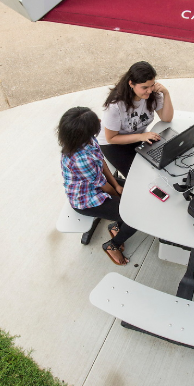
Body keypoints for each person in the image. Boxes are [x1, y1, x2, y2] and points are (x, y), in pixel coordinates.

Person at [58, 106, 137, 266]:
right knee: (135, 216)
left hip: (100, 184)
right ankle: (111, 245)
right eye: (96, 122)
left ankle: (116, 226)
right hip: (87, 200)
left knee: (135, 193)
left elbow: (101, 163)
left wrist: (117, 186)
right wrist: (118, 194)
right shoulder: (81, 159)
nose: (100, 121)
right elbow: (102, 186)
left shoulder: (86, 140)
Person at [98, 61, 174, 177]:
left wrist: (166, 93)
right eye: (144, 87)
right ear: (131, 84)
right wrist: (141, 136)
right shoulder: (116, 105)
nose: (149, 90)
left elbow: (166, 118)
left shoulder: (151, 93)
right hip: (114, 145)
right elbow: (111, 138)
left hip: (138, 136)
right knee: (138, 176)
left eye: (152, 85)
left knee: (164, 163)